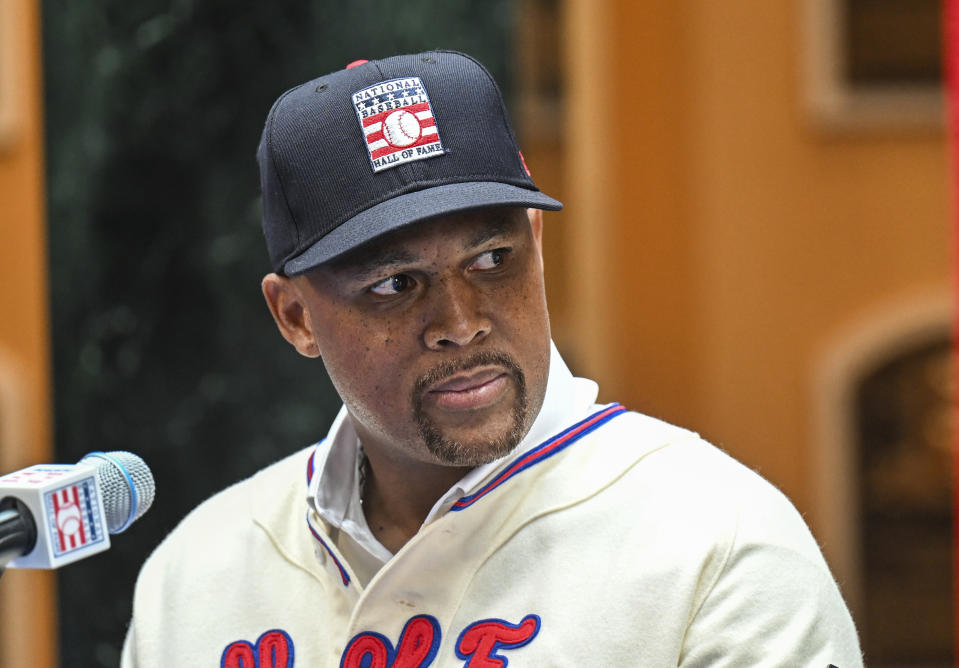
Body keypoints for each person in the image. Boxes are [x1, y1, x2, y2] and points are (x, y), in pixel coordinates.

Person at [121, 51, 863, 667]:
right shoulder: (197, 573)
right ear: (294, 316)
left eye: (491, 259)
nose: (460, 323)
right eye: (393, 285)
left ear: (537, 249)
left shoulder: (715, 539)